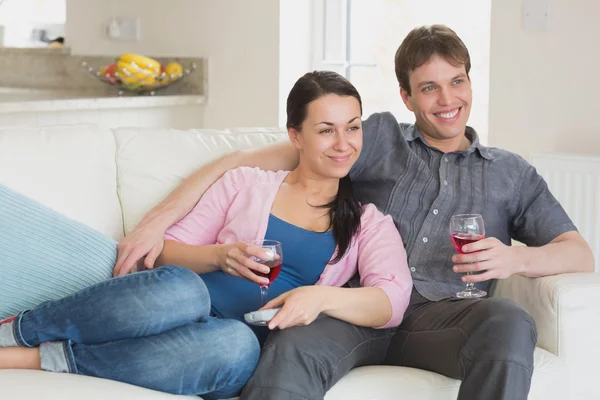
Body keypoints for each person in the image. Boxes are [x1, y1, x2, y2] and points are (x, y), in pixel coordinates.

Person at [114, 24, 594, 400]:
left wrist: (516, 260)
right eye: (429, 88)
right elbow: (237, 164)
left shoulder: (511, 172)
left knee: (509, 319)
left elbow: (578, 252)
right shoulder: (372, 138)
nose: (447, 100)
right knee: (292, 344)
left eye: (457, 81)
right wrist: (157, 221)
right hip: (351, 311)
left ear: (470, 81)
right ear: (406, 97)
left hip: (445, 320)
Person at [0, 71, 412, 399]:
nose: (343, 144)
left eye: (352, 128)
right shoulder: (247, 183)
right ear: (295, 136)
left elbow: (390, 302)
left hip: (226, 346)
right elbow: (161, 255)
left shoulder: (367, 223)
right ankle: (14, 331)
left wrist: (319, 297)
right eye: (326, 130)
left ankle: (36, 360)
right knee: (185, 291)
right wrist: (218, 256)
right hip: (172, 306)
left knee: (238, 346)